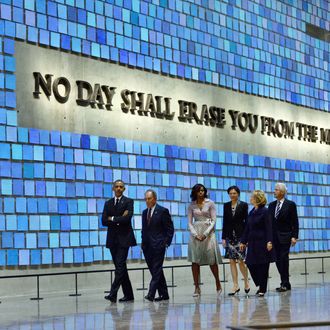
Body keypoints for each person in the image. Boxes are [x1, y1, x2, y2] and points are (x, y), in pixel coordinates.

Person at [102, 180, 137, 303]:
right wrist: (118, 218)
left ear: (124, 189)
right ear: (113, 188)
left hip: (124, 239)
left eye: (121, 187)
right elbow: (103, 221)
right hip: (112, 239)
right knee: (120, 267)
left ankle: (113, 293)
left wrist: (112, 218)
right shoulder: (108, 203)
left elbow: (127, 219)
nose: (118, 189)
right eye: (116, 187)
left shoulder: (128, 201)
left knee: (120, 266)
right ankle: (129, 295)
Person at [187, 184, 222, 297]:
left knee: (211, 259)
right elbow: (189, 222)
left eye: (202, 190)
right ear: (195, 192)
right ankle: (197, 287)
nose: (201, 192)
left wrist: (206, 233)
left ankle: (217, 282)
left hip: (208, 233)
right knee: (195, 260)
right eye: (198, 191)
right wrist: (195, 234)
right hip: (196, 233)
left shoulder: (210, 203)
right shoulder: (191, 205)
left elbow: (213, 220)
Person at [240, 190, 275, 297]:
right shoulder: (252, 211)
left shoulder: (265, 211)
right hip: (252, 242)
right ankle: (260, 282)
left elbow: (269, 227)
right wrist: (243, 241)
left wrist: (270, 241)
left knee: (263, 266)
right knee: (250, 263)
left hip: (263, 242)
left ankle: (262, 289)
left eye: (252, 197)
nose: (250, 198)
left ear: (257, 199)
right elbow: (247, 228)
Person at [142, 189, 174, 302]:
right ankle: (164, 294)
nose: (147, 201)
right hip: (147, 247)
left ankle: (151, 293)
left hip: (159, 245)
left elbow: (170, 229)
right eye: (146, 199)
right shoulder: (144, 212)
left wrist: (166, 242)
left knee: (156, 269)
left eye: (149, 198)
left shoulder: (162, 211)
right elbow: (144, 230)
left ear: (154, 199)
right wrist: (143, 243)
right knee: (156, 270)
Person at [268, 183, 299, 292]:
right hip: (274, 237)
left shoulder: (290, 204)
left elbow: (295, 221)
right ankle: (285, 282)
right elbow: (269, 223)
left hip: (286, 236)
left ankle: (284, 283)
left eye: (276, 190)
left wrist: (295, 236)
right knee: (277, 260)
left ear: (282, 192)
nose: (274, 191)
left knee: (284, 259)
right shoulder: (271, 205)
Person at [222, 185, 250, 295]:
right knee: (231, 260)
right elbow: (225, 221)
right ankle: (235, 285)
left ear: (238, 194)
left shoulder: (243, 205)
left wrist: (246, 238)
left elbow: (247, 222)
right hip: (229, 236)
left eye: (234, 193)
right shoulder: (226, 205)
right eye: (230, 193)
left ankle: (246, 281)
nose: (232, 195)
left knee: (241, 260)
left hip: (241, 236)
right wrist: (224, 237)